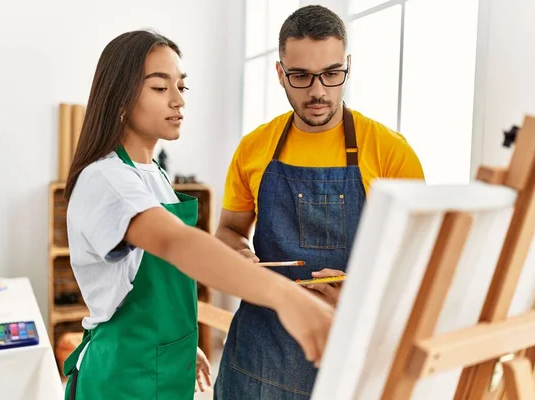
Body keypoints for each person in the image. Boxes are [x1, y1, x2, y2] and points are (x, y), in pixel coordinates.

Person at [61, 29, 333, 400]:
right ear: (120, 98)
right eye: (160, 88)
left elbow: (161, 275)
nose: (178, 101)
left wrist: (180, 344)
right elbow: (175, 243)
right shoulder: (105, 179)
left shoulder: (153, 174)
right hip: (124, 375)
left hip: (163, 363)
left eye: (181, 88)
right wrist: (287, 299)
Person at [214, 5, 424, 399]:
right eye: (301, 76)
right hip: (260, 352)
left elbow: (418, 259)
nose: (318, 91)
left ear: (347, 67)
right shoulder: (254, 148)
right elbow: (228, 230)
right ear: (280, 73)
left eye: (331, 74)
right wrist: (238, 253)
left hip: (348, 350)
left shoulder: (391, 153)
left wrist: (362, 291)